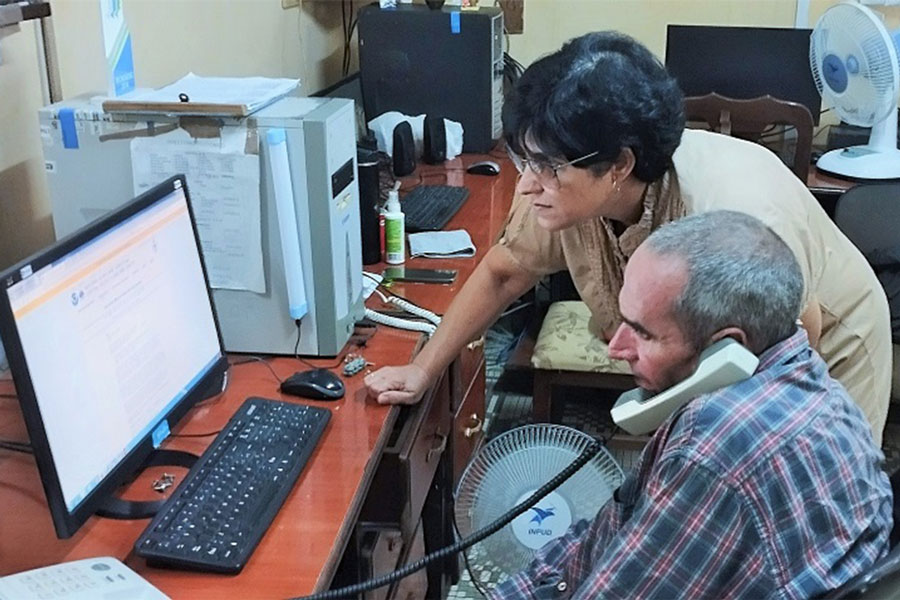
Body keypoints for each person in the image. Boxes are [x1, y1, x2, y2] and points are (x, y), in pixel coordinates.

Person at [364, 30, 891, 446]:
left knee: (801, 519)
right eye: (526, 159)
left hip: (829, 353)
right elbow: (506, 272)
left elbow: (803, 333)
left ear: (619, 164)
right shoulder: (569, 188)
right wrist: (421, 368)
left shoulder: (727, 218)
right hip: (712, 361)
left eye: (546, 166)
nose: (527, 183)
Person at [489, 211, 893, 600]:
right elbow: (611, 534)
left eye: (643, 334)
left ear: (726, 349)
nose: (616, 348)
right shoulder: (812, 378)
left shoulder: (715, 447)